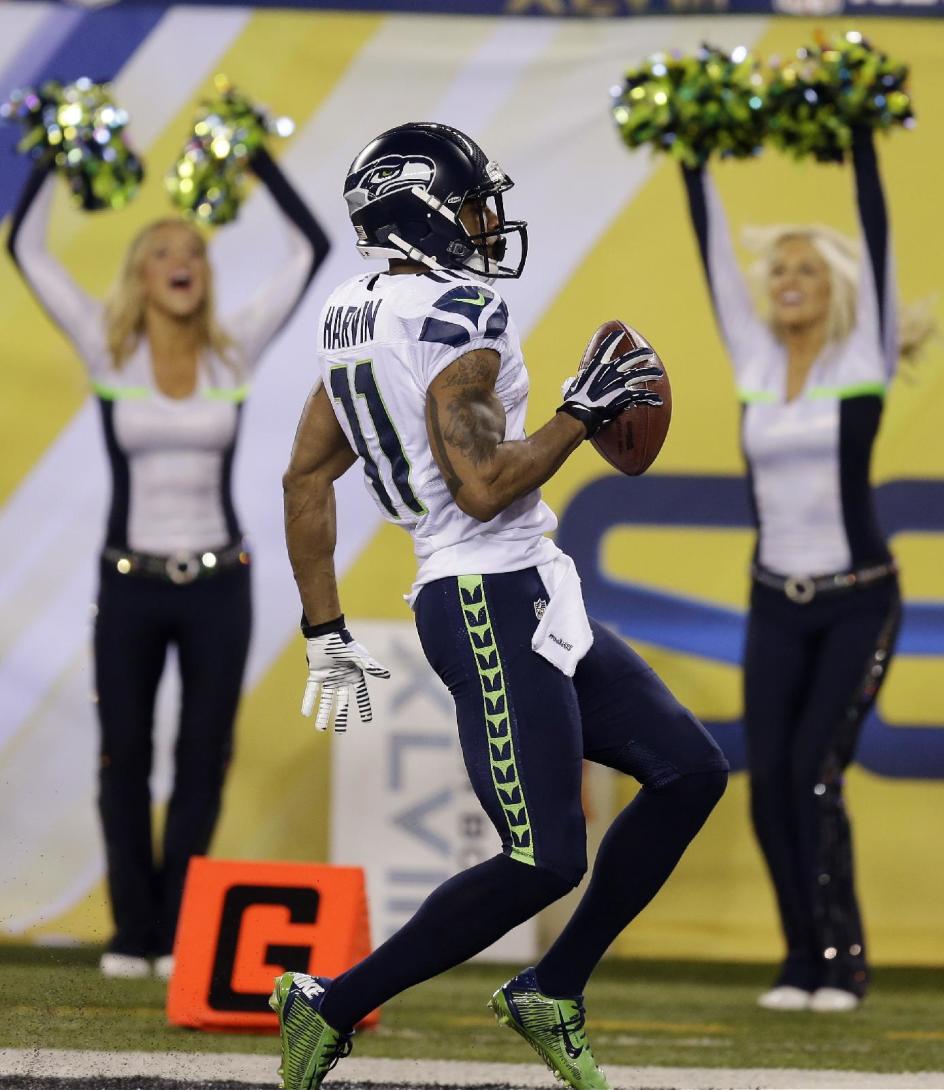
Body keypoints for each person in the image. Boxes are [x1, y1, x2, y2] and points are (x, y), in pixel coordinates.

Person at [273, 121, 729, 1090]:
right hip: (484, 591)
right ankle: (332, 1003)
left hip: (524, 587)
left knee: (688, 770)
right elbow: (481, 484)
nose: (487, 221)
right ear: (425, 212)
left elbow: (306, 475)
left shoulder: (354, 311)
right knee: (544, 857)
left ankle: (553, 987)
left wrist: (325, 632)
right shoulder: (459, 310)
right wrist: (580, 412)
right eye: (474, 202)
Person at [7, 148, 329, 979]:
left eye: (194, 253)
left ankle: (181, 928)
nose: (181, 263)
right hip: (130, 585)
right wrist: (50, 154)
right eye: (162, 253)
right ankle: (132, 933)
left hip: (222, 584)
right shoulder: (104, 347)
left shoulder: (235, 351)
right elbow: (26, 251)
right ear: (139, 275)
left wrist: (256, 158)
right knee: (123, 752)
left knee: (203, 754)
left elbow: (310, 250)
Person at [679, 129, 924, 1012]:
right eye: (778, 268)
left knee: (816, 772)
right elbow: (713, 255)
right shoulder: (752, 360)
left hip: (860, 602)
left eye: (807, 270)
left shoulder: (863, 359)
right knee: (769, 779)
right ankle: (798, 962)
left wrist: (859, 137)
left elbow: (879, 228)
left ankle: (843, 962)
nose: (787, 280)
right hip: (774, 600)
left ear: (837, 290)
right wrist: (689, 154)